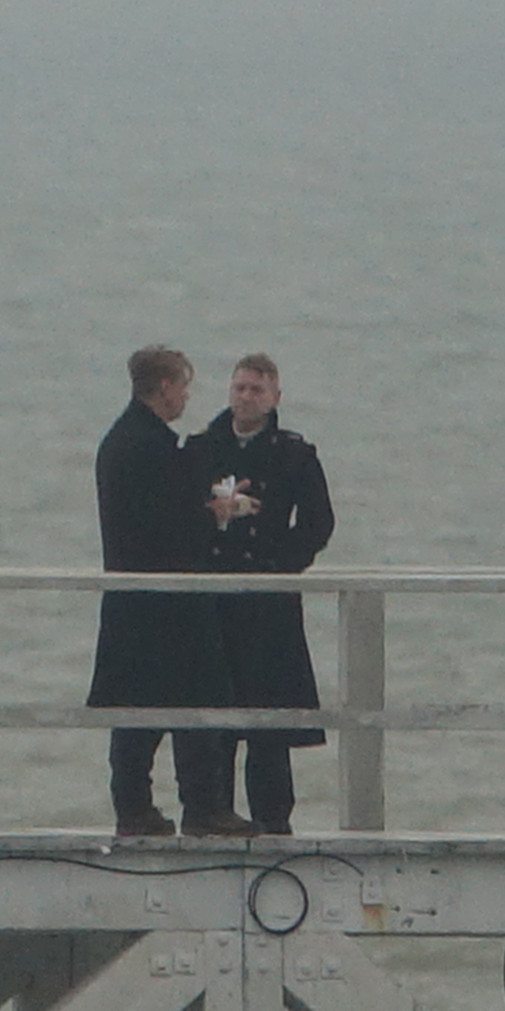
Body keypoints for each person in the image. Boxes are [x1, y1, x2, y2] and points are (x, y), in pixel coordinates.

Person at [87, 346, 251, 838]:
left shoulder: (124, 441)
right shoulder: (149, 447)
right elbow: (169, 524)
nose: (184, 396)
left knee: (139, 706)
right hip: (165, 598)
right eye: (182, 385)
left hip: (134, 598)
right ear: (163, 387)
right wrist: (216, 514)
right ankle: (200, 807)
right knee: (199, 700)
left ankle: (136, 808)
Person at [191, 352, 335, 836]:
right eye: (239, 388)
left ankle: (274, 822)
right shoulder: (201, 449)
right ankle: (213, 816)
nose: (245, 397)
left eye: (256, 389)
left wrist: (282, 565)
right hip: (213, 600)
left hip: (269, 603)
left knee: (269, 724)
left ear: (275, 396)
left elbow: (318, 523)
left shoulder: (293, 454)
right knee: (215, 720)